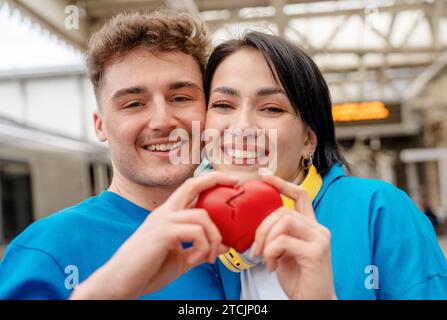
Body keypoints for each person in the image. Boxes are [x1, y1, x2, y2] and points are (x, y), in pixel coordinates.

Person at [0, 10, 239, 300]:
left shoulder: (249, 233)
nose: (162, 121)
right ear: (100, 126)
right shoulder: (46, 251)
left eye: (180, 98)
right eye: (134, 103)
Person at [197, 31, 447, 299]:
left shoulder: (380, 211)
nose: (242, 126)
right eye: (223, 105)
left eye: (272, 108)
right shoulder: (192, 233)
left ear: (308, 140)